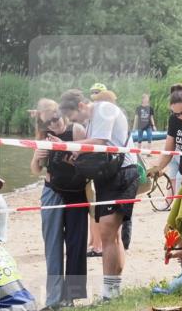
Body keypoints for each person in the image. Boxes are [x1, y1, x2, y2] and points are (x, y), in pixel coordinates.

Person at [59, 88, 139, 300]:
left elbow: (100, 143)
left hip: (122, 173)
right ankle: (113, 291)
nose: (76, 122)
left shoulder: (103, 110)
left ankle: (108, 293)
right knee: (112, 235)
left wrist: (66, 145)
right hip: (108, 175)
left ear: (81, 106)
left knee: (107, 233)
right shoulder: (92, 119)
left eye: (74, 117)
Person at [29, 98, 88, 308]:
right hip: (52, 191)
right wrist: (37, 156)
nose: (53, 125)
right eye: (47, 123)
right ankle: (53, 299)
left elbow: (89, 161)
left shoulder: (77, 130)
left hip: (77, 192)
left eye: (55, 119)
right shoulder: (44, 136)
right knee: (52, 245)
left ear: (61, 112)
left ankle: (70, 298)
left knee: (76, 244)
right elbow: (36, 170)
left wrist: (67, 150)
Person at [147, 85, 182, 204]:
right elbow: (168, 150)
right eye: (176, 114)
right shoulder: (174, 120)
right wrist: (157, 168)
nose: (181, 117)